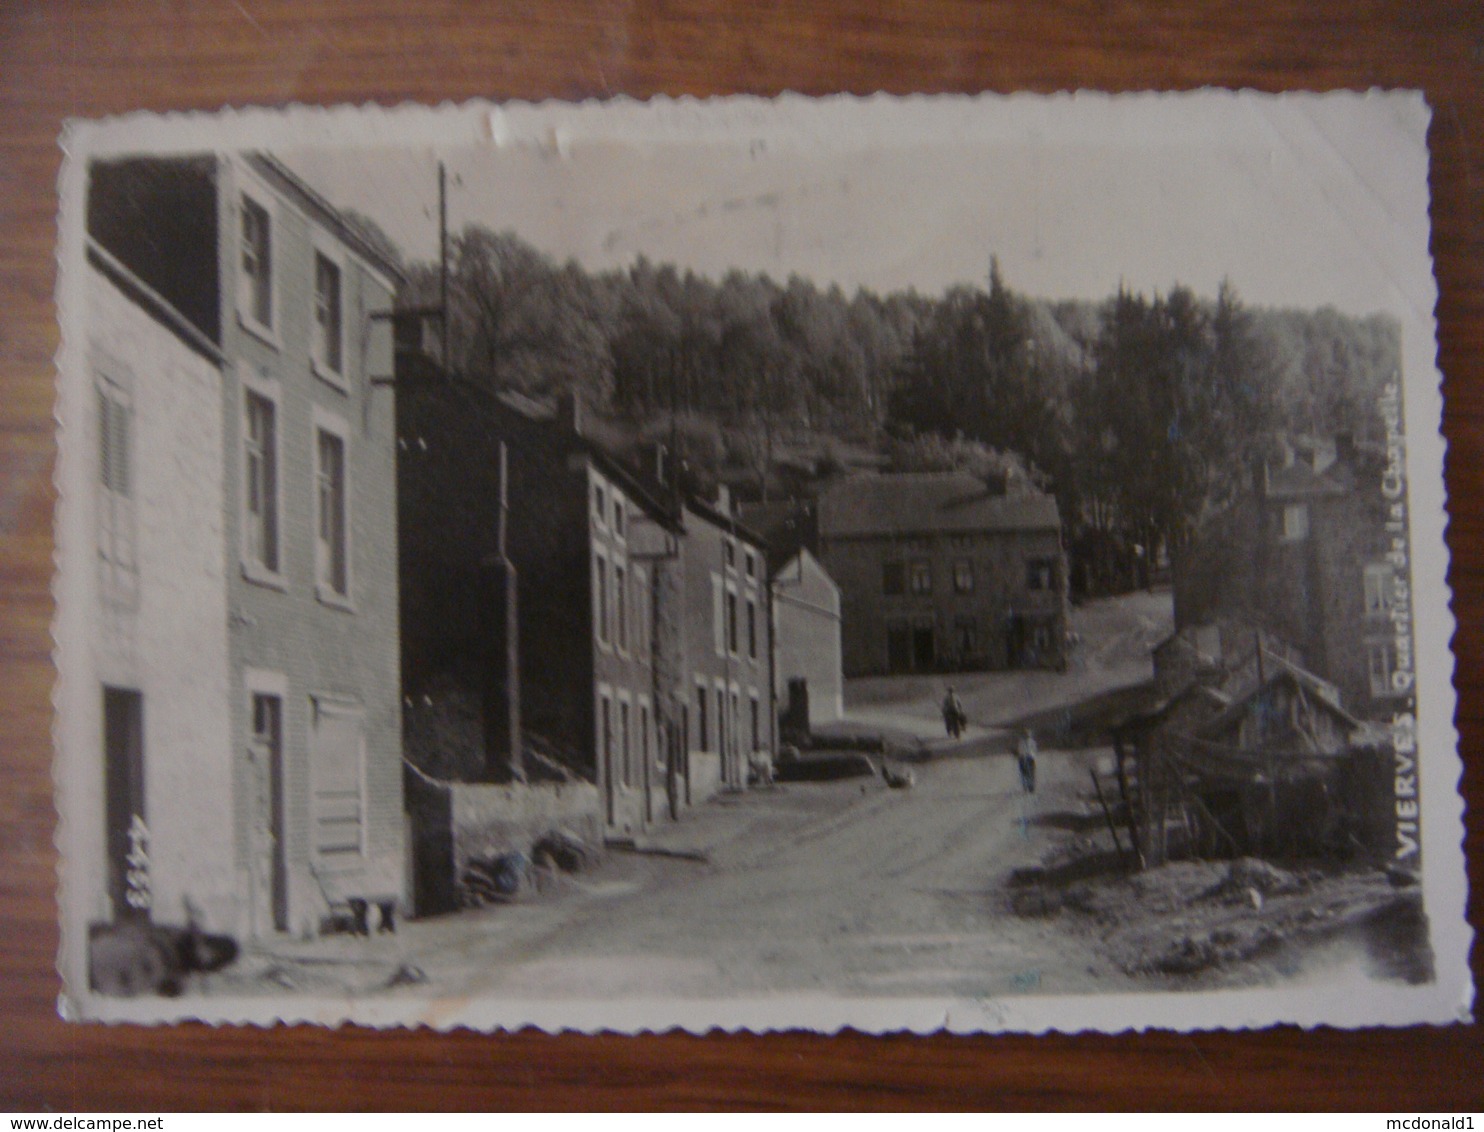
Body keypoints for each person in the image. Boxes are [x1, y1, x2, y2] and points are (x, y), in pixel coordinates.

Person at [1016, 728, 1038, 794]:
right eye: (1025, 735)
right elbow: (1020, 751)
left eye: (1028, 735)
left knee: (1030, 773)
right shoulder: (1021, 742)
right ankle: (1026, 786)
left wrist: (1031, 756)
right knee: (1024, 773)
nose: (1026, 736)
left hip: (1029, 758)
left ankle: (1031, 786)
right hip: (1023, 758)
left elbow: (1034, 751)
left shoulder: (1032, 742)